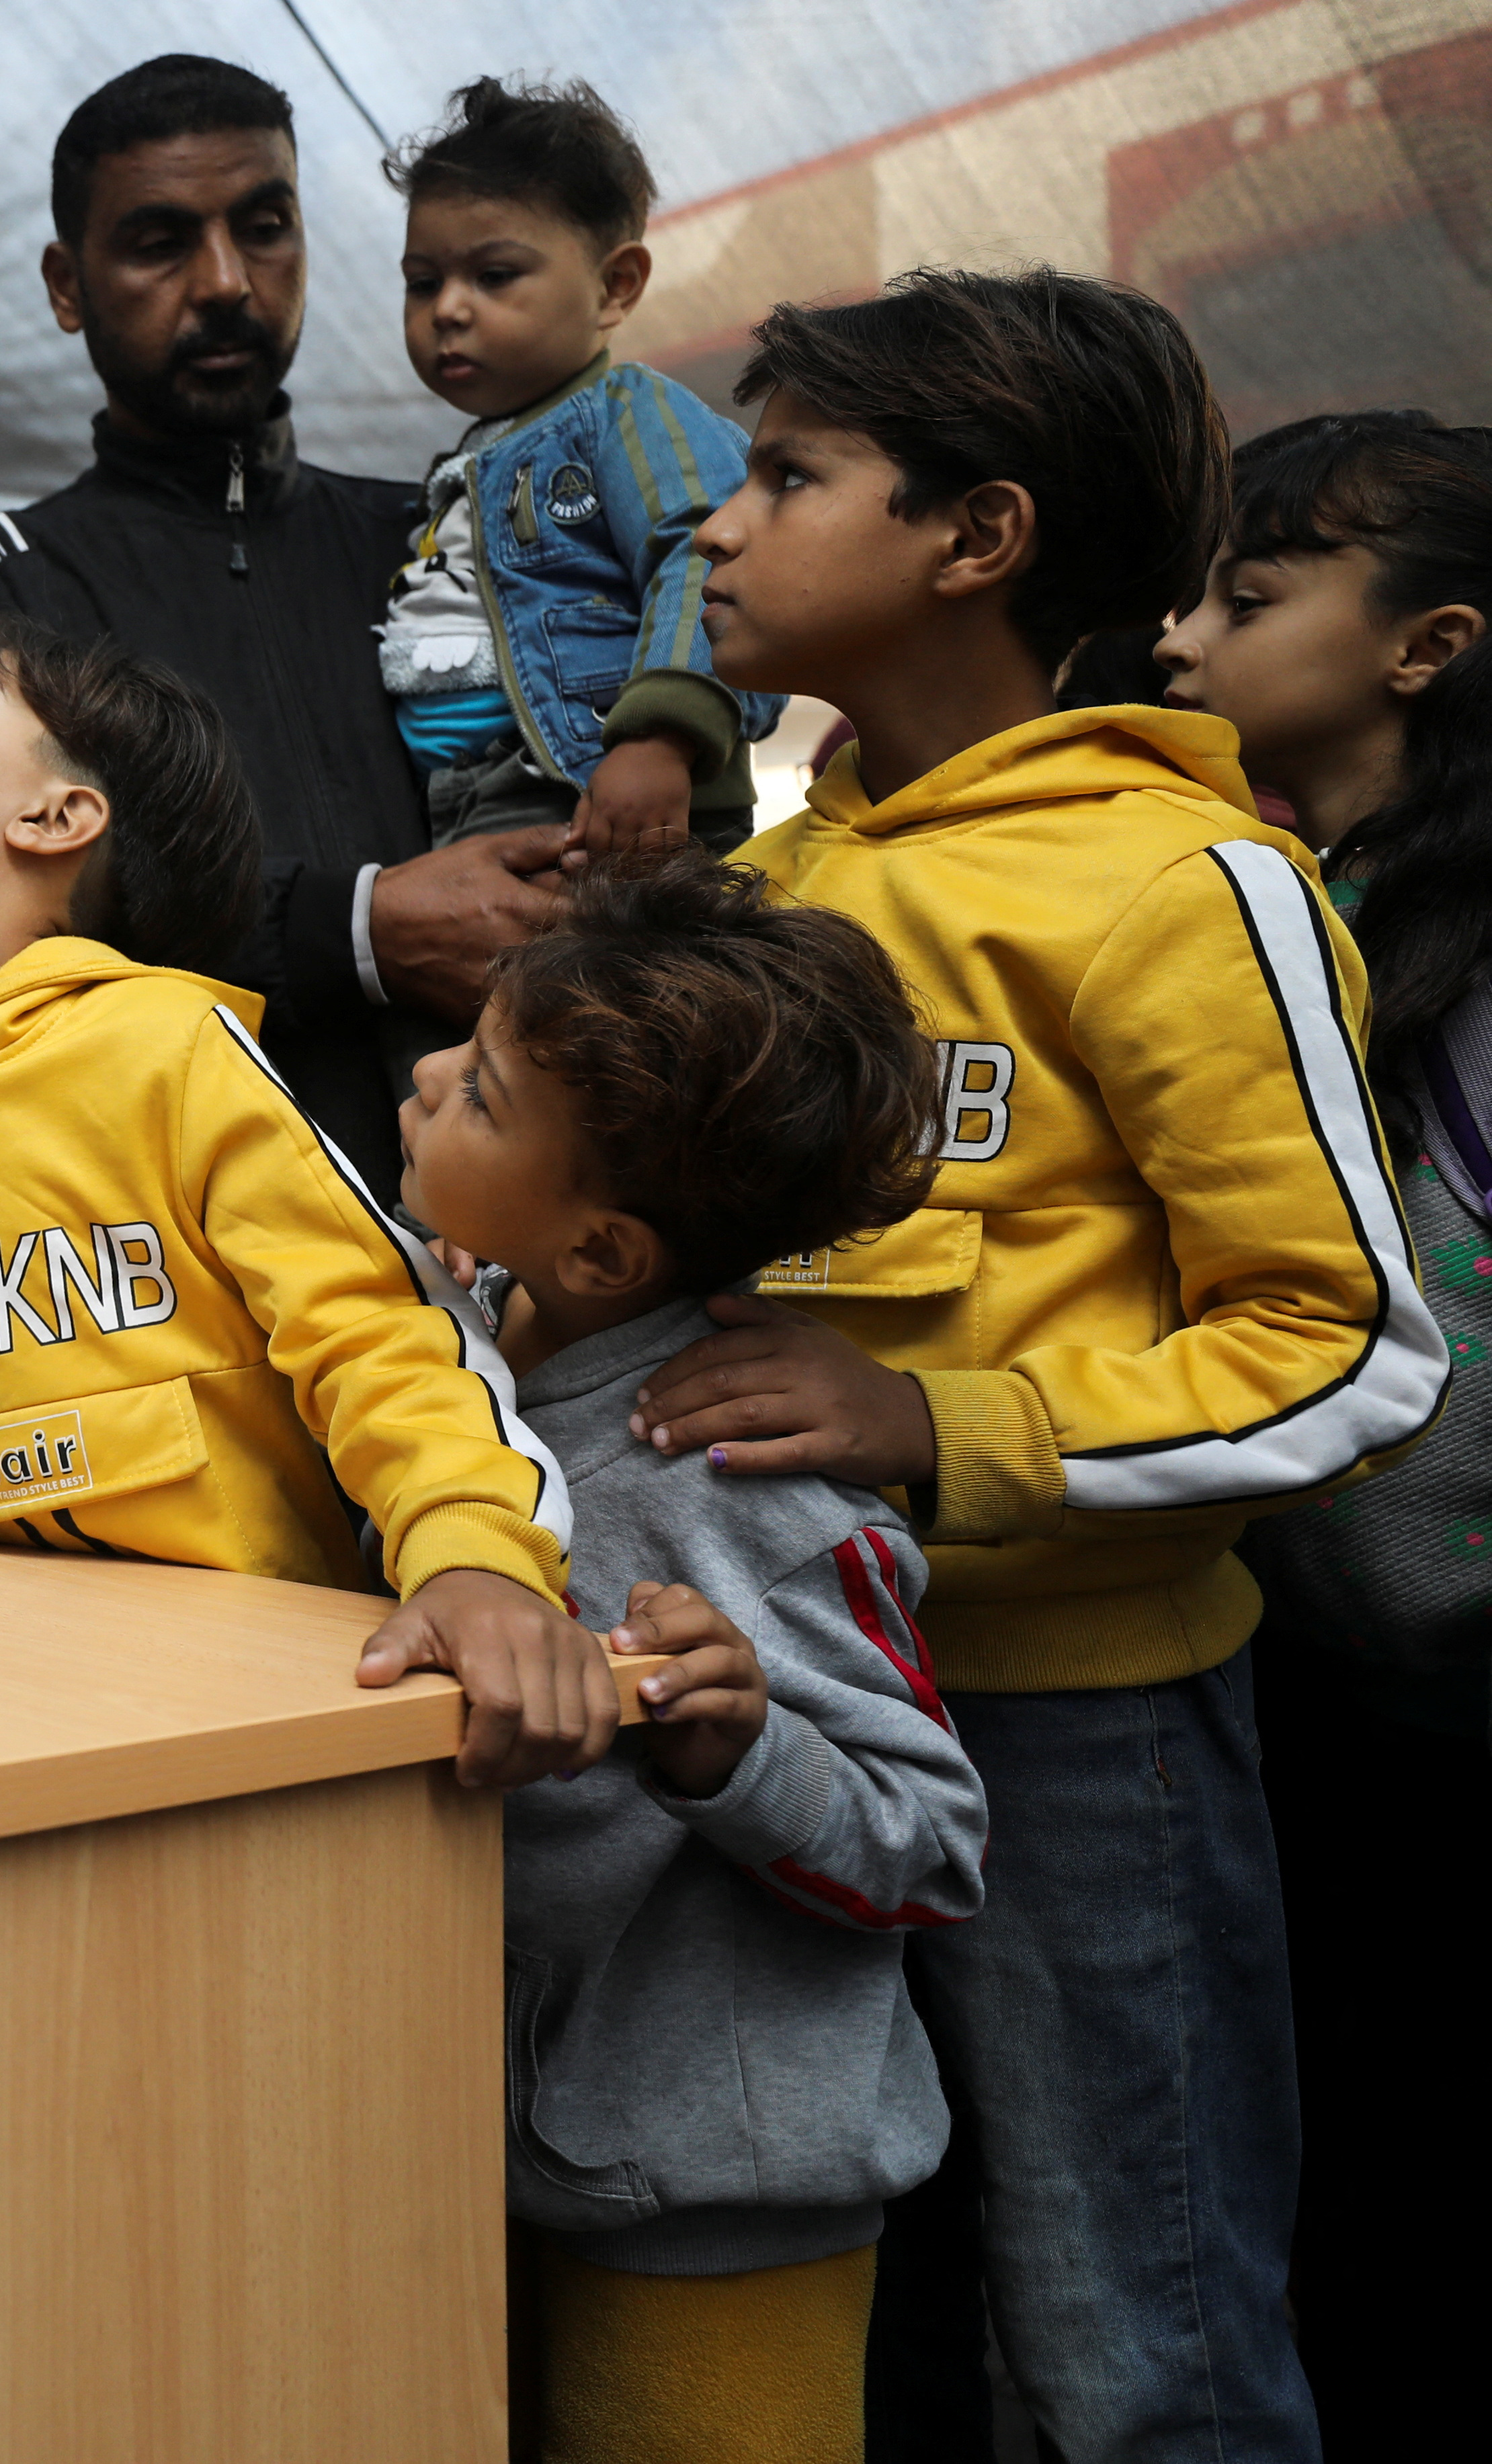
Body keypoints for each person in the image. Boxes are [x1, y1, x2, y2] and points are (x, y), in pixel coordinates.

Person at [630, 269, 1450, 2462]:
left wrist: (938, 1419)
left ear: (977, 537)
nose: (718, 525)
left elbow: (1348, 1348)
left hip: (1085, 1736)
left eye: (789, 473)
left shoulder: (1189, 880)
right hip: (768, 1704)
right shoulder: (761, 893)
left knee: (1134, 2335)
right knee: (814, 2297)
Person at [0, 613, 613, 1790]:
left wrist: (475, 1557)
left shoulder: (169, 1046)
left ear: (54, 819)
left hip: (239, 1718)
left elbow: (379, 1330)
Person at [395, 852, 985, 2464]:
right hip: (526, 2149)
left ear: (601, 1251)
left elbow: (930, 1844)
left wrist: (739, 1750)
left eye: (483, 1093)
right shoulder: (454, 1345)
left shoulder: (747, 1484)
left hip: (726, 2204)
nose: (426, 1071)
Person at [0, 54, 577, 1196]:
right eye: (160, 242)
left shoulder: (439, 536)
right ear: (67, 286)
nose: (226, 282)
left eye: (264, 227)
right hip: (168, 1251)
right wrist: (356, 926)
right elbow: (1, 918)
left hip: (498, 1237)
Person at [1154, 408, 1492, 2457]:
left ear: (1425, 646)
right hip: (1307, 1670)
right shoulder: (1262, 896)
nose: (1182, 641)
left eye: (1247, 598)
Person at [379, 79, 781, 854]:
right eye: (422, 282)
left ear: (613, 285)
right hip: (474, 802)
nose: (447, 309)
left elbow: (705, 556)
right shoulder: (467, 466)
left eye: (493, 275)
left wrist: (660, 739)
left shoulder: (627, 411)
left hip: (614, 793)